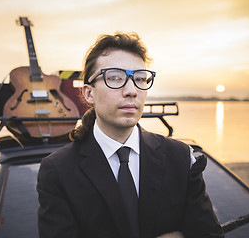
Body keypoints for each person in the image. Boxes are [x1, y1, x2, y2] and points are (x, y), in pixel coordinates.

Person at [37, 32, 224, 238]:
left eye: (140, 79)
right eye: (115, 78)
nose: (131, 90)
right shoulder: (58, 170)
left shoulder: (179, 157)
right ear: (89, 93)